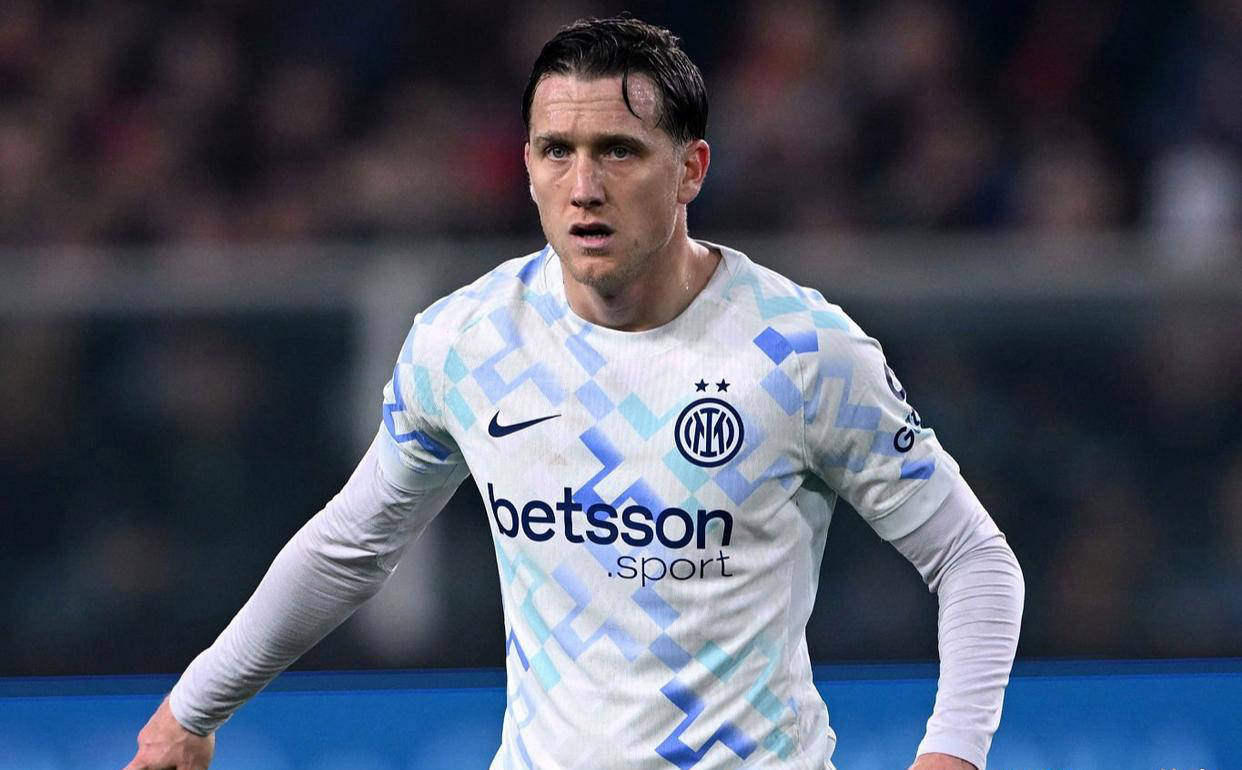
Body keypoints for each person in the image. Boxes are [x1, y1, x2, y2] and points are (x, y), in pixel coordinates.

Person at [124, 16, 1023, 770]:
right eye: (558, 151)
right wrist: (192, 708)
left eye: (619, 151)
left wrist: (952, 752)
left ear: (691, 169)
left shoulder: (801, 351)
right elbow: (352, 546)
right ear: (526, 165)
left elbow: (973, 558)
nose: (584, 187)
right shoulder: (468, 342)